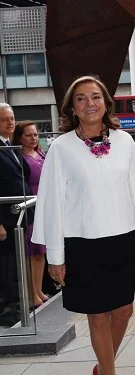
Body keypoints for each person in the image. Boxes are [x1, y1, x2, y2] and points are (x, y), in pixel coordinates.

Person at [32, 76, 135, 375]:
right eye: (82, 98)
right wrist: (55, 255)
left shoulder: (125, 141)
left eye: (96, 97)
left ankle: (103, 367)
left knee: (124, 310)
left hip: (122, 240)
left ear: (106, 103)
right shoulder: (61, 148)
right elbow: (52, 202)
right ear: (72, 107)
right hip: (81, 244)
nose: (90, 103)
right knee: (98, 316)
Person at [0, 103, 33, 326]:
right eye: (5, 119)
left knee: (15, 264)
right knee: (6, 266)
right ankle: (7, 309)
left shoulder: (11, 146)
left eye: (12, 118)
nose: (11, 123)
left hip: (18, 218)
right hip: (5, 219)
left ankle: (17, 305)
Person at [13, 121, 48, 308]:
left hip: (44, 207)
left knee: (41, 252)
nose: (33, 138)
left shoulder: (41, 153)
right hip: (30, 209)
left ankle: (39, 289)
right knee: (31, 252)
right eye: (28, 135)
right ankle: (31, 293)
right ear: (19, 137)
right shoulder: (19, 157)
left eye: (35, 134)